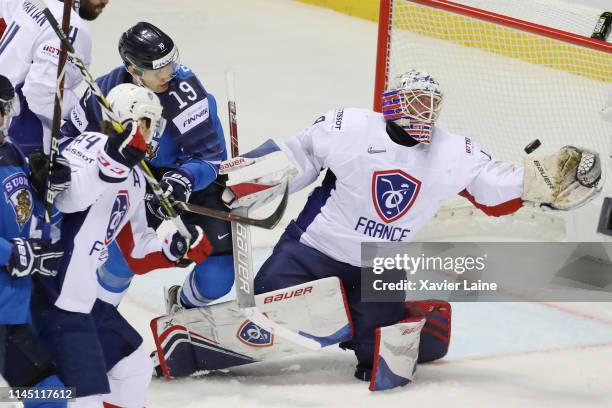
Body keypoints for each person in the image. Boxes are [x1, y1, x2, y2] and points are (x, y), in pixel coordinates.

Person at [222, 69, 602, 389]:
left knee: (378, 362)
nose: (427, 113)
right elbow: (296, 158)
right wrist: (244, 181)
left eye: (432, 105)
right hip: (313, 247)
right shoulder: (348, 126)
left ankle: (422, 321)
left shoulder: (453, 152)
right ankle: (363, 315)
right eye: (418, 103)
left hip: (380, 264)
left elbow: (491, 187)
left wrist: (537, 184)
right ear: (393, 104)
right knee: (268, 311)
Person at [30, 83, 213, 407]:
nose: (153, 131)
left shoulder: (138, 177)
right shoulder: (88, 146)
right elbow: (69, 200)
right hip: (51, 295)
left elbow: (135, 250)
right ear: (122, 121)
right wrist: (113, 160)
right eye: (145, 122)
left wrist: (173, 250)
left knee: (133, 368)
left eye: (154, 123)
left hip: (81, 298)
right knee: (82, 397)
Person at [61, 21, 234, 312]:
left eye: (169, 64)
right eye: (158, 69)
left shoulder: (186, 92)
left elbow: (209, 159)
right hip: (137, 173)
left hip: (193, 173)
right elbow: (71, 138)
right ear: (133, 69)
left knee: (218, 276)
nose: (168, 74)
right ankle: (100, 319)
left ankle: (182, 307)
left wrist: (183, 179)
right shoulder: (106, 90)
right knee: (117, 263)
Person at [0, 74, 68, 407]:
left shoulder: (9, 153)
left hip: (15, 303)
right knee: (49, 395)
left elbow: (30, 218)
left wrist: (47, 193)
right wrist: (13, 252)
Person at [0, 0, 110, 155]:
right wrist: (85, 114)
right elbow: (42, 93)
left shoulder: (33, 2)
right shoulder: (70, 26)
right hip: (21, 135)